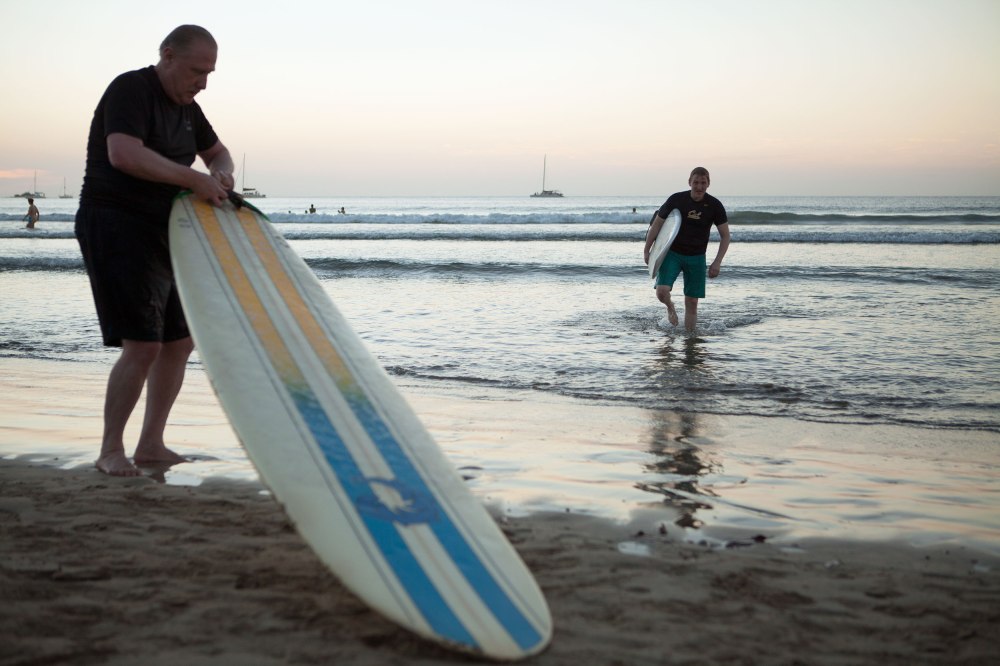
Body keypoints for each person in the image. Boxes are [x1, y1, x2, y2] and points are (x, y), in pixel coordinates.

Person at [74, 25, 235, 477]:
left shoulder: (190, 111)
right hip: (115, 224)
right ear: (167, 55)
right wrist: (193, 179)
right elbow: (123, 154)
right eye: (196, 70)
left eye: (210, 73)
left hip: (168, 231)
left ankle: (151, 443)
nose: (202, 82)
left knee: (178, 341)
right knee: (142, 343)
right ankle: (110, 449)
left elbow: (219, 154)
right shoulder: (131, 88)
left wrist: (220, 174)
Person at [643, 167, 730, 332]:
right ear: (689, 182)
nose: (699, 186)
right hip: (673, 253)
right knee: (661, 292)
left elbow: (725, 235)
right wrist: (648, 250)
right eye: (696, 182)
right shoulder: (676, 200)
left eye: (703, 183)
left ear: (708, 184)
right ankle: (670, 307)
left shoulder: (714, 205)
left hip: (697, 257)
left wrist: (717, 262)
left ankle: (690, 341)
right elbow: (657, 225)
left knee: (692, 302)